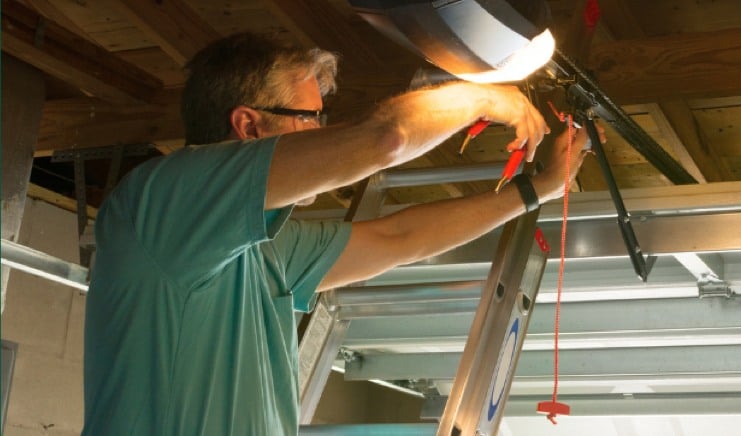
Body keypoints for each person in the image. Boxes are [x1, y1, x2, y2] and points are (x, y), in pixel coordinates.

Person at [82, 32, 592, 435]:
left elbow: (398, 238)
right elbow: (384, 138)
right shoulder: (165, 201)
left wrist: (538, 190)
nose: (322, 134)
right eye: (310, 118)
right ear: (249, 126)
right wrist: (482, 97)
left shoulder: (264, 246)